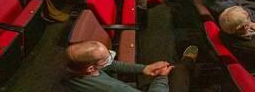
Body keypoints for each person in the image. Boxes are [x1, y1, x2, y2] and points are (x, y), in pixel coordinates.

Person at [62, 40, 197, 92]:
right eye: (106, 58)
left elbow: (112, 65)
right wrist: (161, 78)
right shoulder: (112, 87)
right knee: (179, 71)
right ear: (91, 68)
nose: (111, 57)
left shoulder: (74, 68)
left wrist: (144, 68)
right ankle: (187, 64)